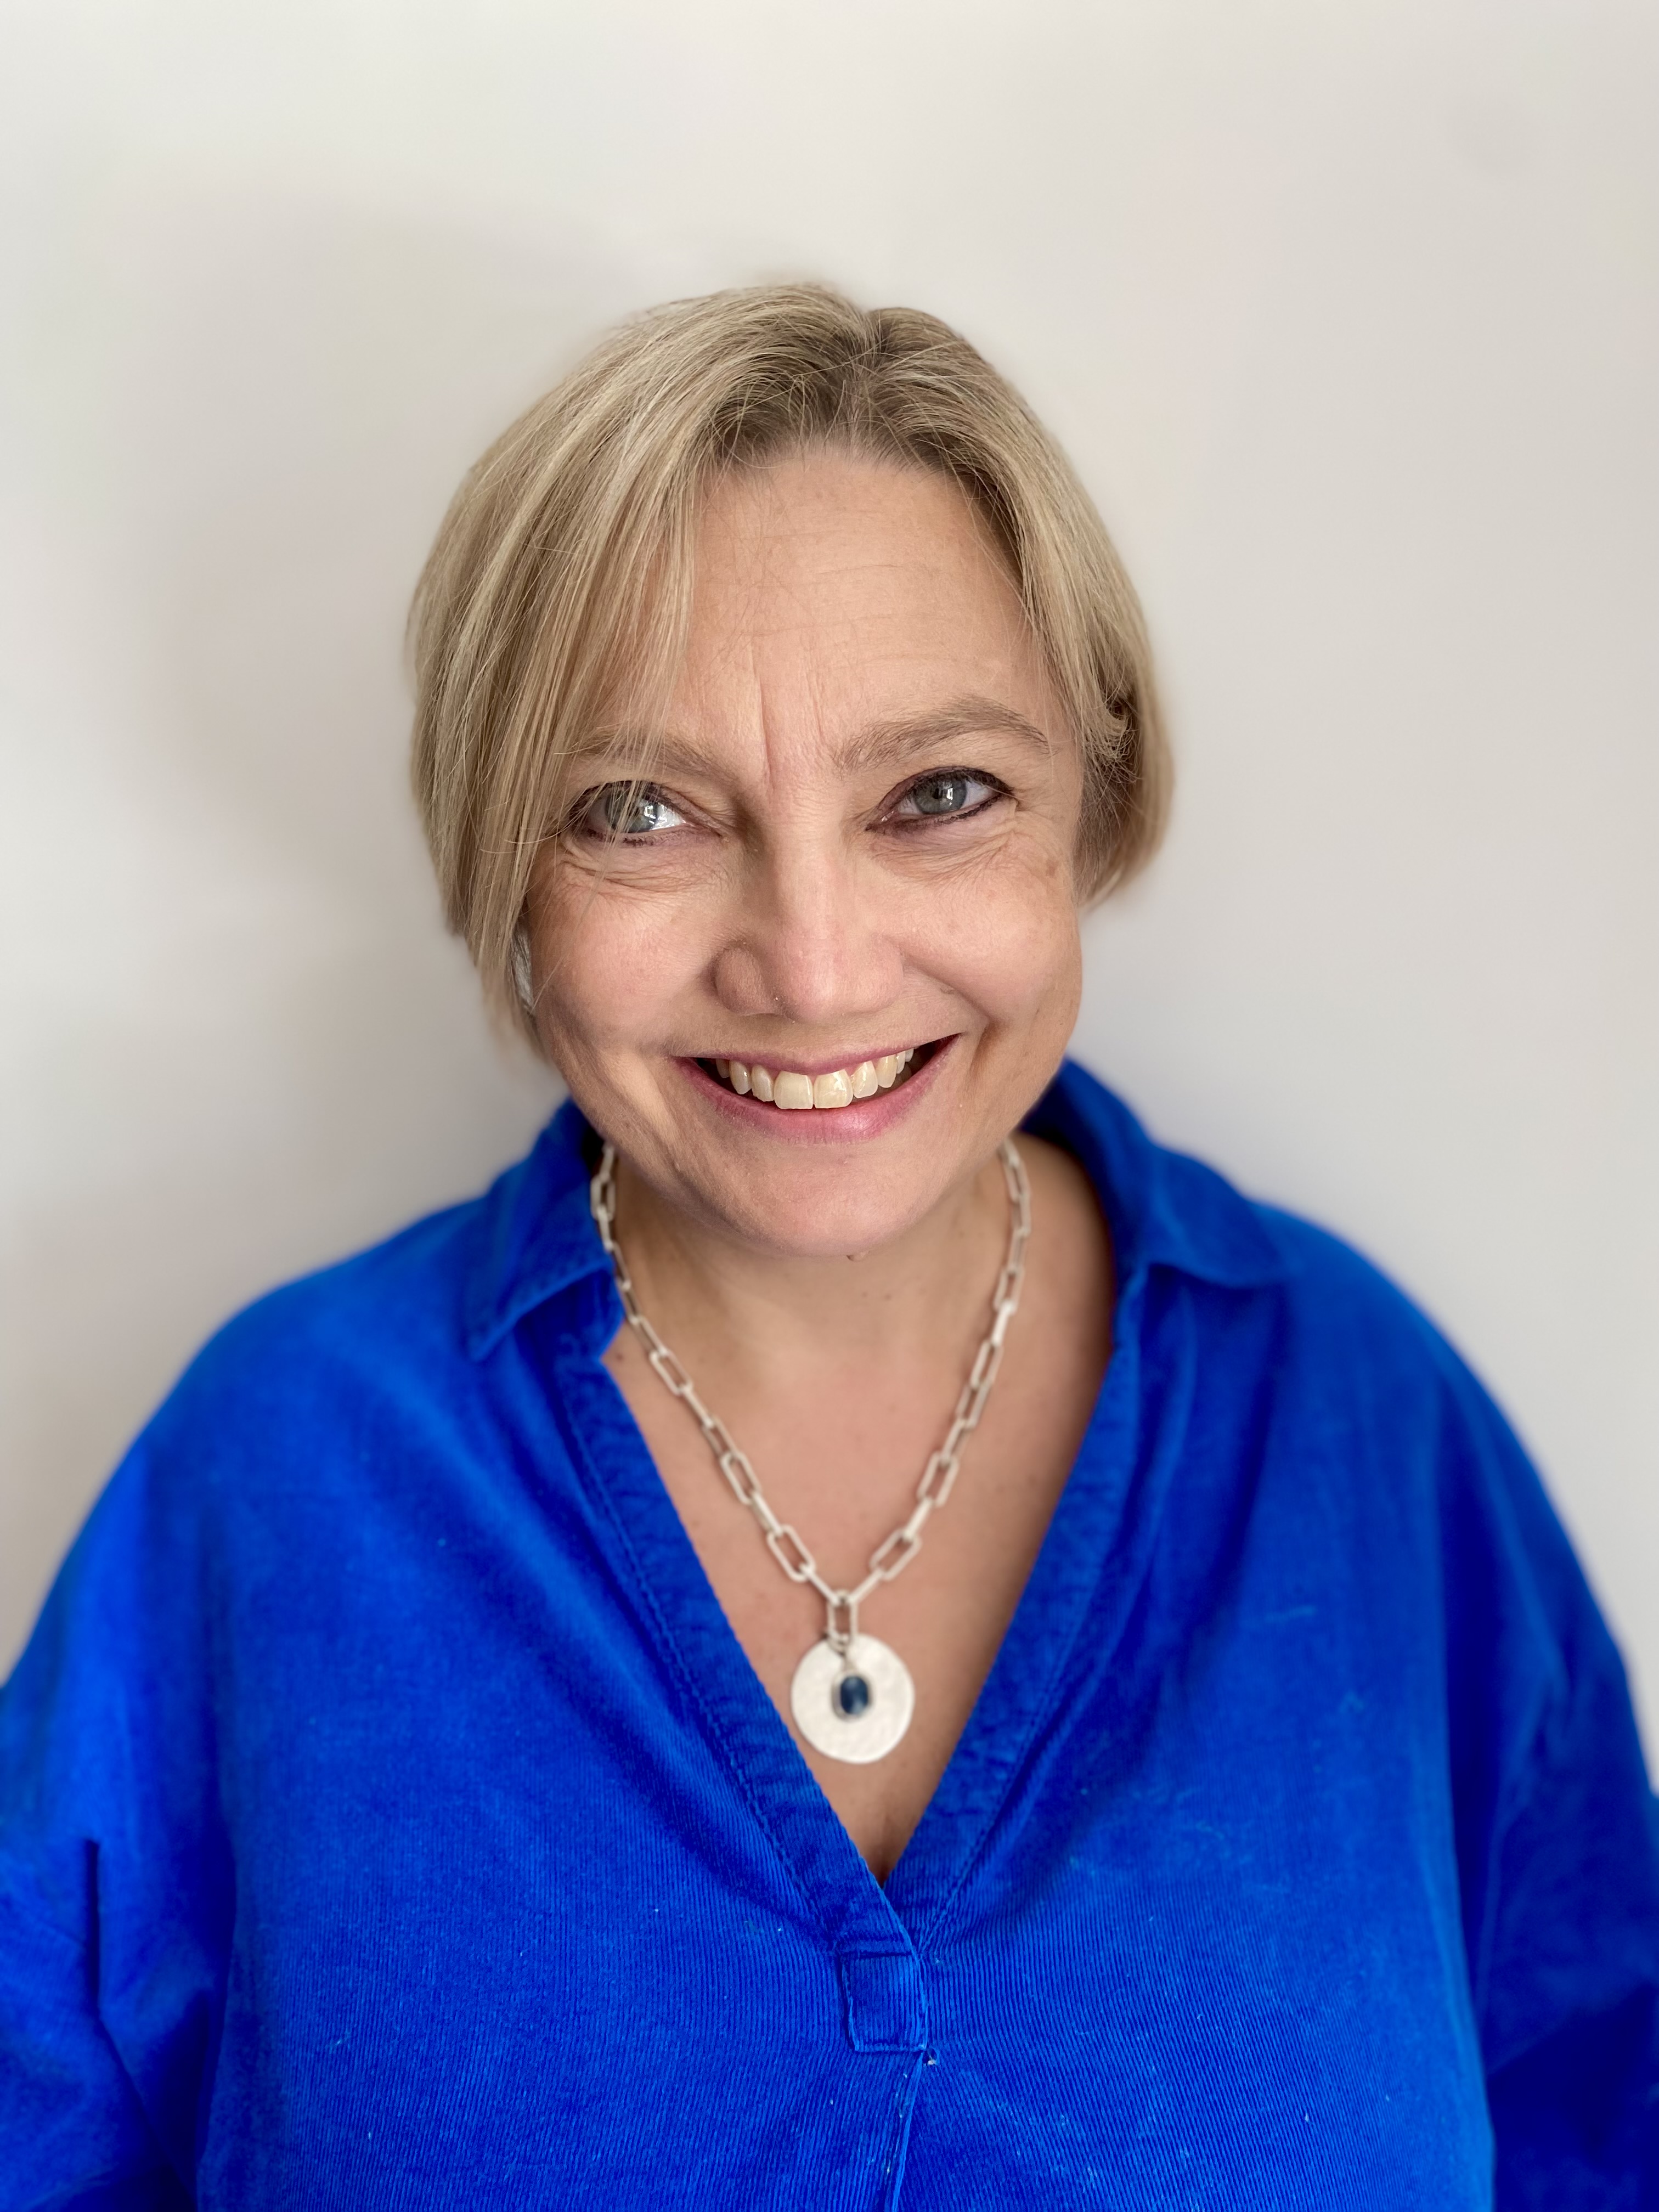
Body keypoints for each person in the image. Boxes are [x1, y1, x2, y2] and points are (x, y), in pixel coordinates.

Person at [2, 284, 1655, 2209]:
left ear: (1091, 805)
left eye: (937, 797)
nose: (812, 962)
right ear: (507, 870)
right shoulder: (272, 1482)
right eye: (640, 811)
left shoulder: (1366, 1429)